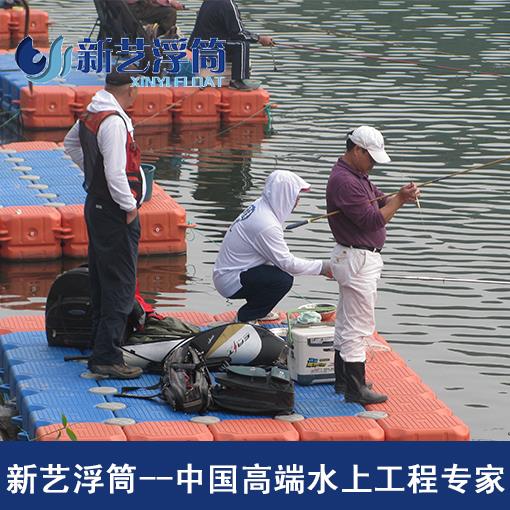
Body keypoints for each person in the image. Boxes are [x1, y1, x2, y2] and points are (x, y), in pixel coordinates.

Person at [326, 125, 420, 404]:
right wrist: (401, 201)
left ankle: (343, 381)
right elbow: (373, 220)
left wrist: (400, 195)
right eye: (372, 158)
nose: (374, 165)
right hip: (357, 259)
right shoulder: (346, 181)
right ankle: (356, 389)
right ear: (357, 150)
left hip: (354, 256)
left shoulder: (357, 175)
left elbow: (380, 201)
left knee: (346, 320)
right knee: (359, 325)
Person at [64, 71, 146, 379]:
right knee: (120, 283)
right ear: (131, 91)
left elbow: (70, 144)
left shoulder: (93, 111)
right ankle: (108, 357)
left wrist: (91, 173)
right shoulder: (113, 121)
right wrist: (129, 207)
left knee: (100, 276)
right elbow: (116, 173)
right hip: (113, 210)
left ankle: (98, 343)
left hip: (95, 204)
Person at [213, 170, 332, 322]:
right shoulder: (266, 224)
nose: (298, 201)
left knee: (277, 274)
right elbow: (288, 264)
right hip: (230, 280)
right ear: (284, 195)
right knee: (282, 280)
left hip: (233, 272)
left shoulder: (261, 206)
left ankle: (260, 310)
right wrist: (323, 267)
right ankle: (247, 316)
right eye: (296, 196)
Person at [188, 0, 275, 90]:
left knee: (234, 42)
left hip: (197, 46)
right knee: (241, 45)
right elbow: (238, 33)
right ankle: (237, 81)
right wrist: (260, 39)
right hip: (210, 47)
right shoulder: (227, 4)